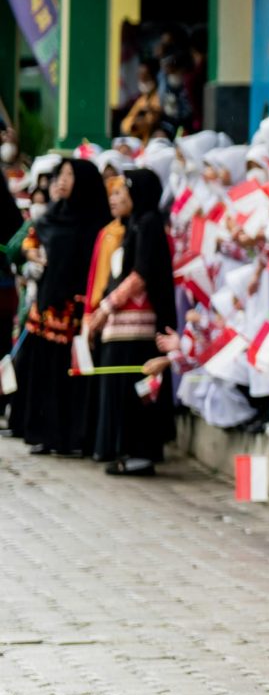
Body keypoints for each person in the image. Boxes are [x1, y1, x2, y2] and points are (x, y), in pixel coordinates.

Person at [90, 166, 177, 476]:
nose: (118, 197)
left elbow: (140, 276)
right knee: (124, 391)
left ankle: (142, 453)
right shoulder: (136, 225)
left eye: (124, 190)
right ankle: (128, 450)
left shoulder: (149, 224)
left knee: (137, 391)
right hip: (123, 327)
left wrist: (106, 307)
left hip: (139, 329)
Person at [21, 159, 111, 457]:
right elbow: (27, 242)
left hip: (76, 310)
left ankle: (75, 435)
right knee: (46, 372)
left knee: (72, 372)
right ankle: (46, 434)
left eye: (70, 175)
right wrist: (32, 255)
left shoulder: (96, 222)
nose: (61, 180)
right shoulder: (50, 216)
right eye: (60, 174)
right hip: (47, 309)